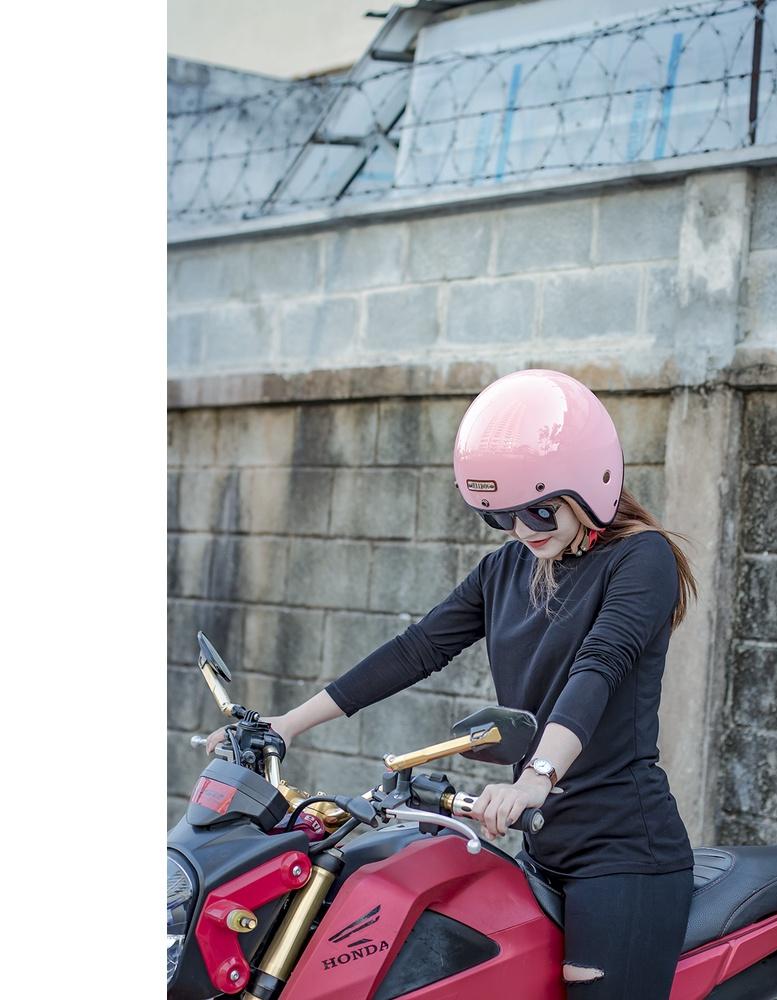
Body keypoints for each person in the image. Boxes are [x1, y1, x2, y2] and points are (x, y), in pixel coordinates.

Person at [206, 368, 697, 998]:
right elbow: (418, 649)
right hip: (541, 843)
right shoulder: (506, 568)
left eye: (539, 509)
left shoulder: (641, 558)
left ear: (592, 481)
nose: (523, 530)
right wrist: (287, 725)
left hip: (623, 852)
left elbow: (599, 666)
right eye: (501, 516)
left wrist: (535, 779)